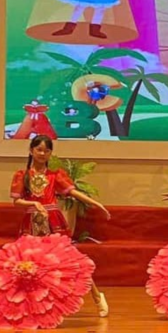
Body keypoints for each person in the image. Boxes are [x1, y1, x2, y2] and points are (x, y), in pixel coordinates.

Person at [11, 135, 113, 317]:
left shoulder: (54, 175)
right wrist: (33, 203)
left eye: (46, 150)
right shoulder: (22, 175)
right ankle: (30, 306)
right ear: (31, 151)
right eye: (39, 150)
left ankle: (98, 297)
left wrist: (96, 204)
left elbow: (73, 192)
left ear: (50, 153)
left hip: (53, 221)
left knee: (72, 259)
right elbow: (16, 201)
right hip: (31, 223)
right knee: (28, 265)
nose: (42, 154)